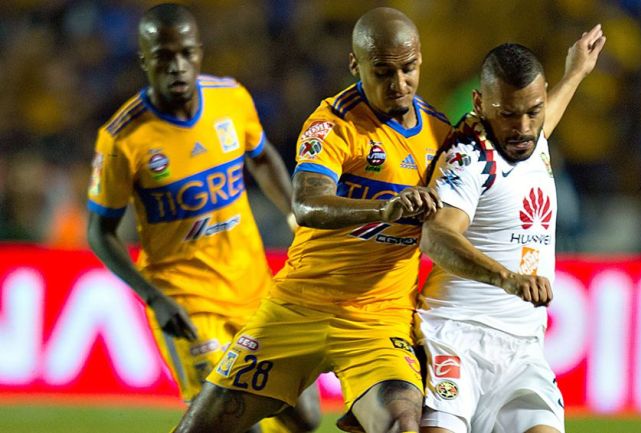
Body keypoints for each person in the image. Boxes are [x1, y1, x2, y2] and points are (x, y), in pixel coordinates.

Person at [173, 7, 452, 433]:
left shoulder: (439, 130)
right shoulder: (333, 123)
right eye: (383, 72)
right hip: (298, 307)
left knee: (401, 425)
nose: (400, 84)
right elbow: (307, 205)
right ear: (354, 65)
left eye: (409, 69)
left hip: (378, 320)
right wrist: (383, 209)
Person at [86, 4, 319, 433]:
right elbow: (98, 231)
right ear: (144, 60)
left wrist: (293, 214)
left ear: (200, 52)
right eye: (163, 57)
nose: (177, 66)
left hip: (253, 289)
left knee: (305, 417)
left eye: (186, 53)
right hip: (188, 301)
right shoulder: (123, 139)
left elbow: (262, 156)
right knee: (230, 422)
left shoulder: (230, 99)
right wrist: (153, 296)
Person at [417, 27, 606, 433]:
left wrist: (575, 73)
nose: (523, 126)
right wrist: (505, 278)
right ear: (480, 103)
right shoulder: (468, 155)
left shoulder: (528, 133)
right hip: (455, 338)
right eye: (508, 113)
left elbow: (540, 122)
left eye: (532, 110)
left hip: (522, 350)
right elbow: (436, 235)